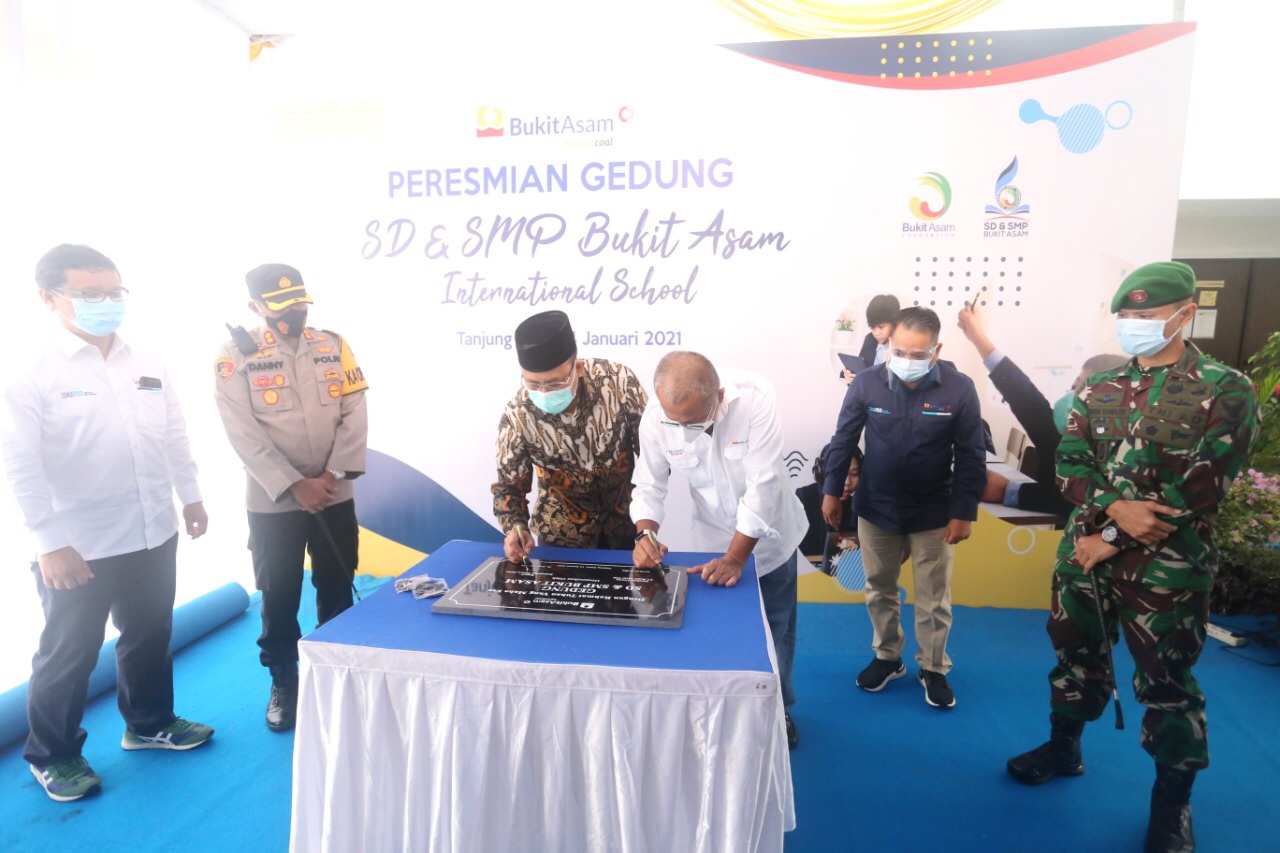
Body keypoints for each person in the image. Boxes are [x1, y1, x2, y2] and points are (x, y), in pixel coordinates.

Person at [1005, 262, 1259, 853]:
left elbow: (1204, 485)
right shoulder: (1101, 385)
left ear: (1185, 313)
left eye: (1145, 315)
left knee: (1167, 683)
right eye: (1125, 315)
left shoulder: (1225, 388)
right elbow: (1069, 461)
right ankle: (1063, 748)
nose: (1132, 324)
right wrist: (1114, 509)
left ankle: (1172, 807)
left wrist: (1114, 536)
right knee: (1074, 656)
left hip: (1167, 568)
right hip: (1083, 556)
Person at [1, 244, 213, 803]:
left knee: (150, 632)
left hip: (152, 525)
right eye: (89, 294)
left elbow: (173, 434)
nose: (106, 303)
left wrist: (190, 496)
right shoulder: (29, 368)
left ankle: (149, 723)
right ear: (48, 298)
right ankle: (53, 754)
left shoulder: (145, 359)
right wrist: (49, 543)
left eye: (114, 292)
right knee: (70, 650)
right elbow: (19, 464)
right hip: (79, 542)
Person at [213, 263, 368, 733]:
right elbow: (241, 430)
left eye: (299, 302)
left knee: (337, 582)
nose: (293, 312)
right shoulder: (234, 355)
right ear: (255, 307)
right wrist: (294, 483)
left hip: (334, 490)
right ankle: (284, 680)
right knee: (279, 592)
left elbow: (354, 408)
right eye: (280, 306)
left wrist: (331, 475)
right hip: (274, 499)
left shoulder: (333, 344)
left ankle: (338, 672)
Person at [630, 351, 807, 747]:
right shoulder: (656, 417)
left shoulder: (756, 397)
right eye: (675, 421)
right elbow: (649, 485)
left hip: (769, 541)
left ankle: (779, 711)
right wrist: (645, 534)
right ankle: (727, 713)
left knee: (774, 630)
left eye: (693, 421)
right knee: (720, 634)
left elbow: (763, 486)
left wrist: (736, 557)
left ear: (719, 397)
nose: (683, 430)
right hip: (711, 543)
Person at [821, 306, 986, 709]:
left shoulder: (959, 389)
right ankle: (887, 657)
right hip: (876, 508)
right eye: (899, 351)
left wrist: (964, 512)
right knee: (879, 588)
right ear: (889, 346)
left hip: (934, 512)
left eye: (917, 354)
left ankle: (933, 667)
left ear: (936, 350)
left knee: (934, 596)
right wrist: (831, 490)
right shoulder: (867, 383)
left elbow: (971, 455)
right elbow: (843, 440)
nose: (907, 361)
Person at [492, 310, 648, 561]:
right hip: (560, 537)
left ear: (578, 367)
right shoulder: (518, 414)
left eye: (555, 384)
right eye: (533, 384)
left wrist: (647, 526)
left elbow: (652, 456)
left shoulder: (618, 383)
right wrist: (515, 528)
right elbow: (508, 487)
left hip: (625, 529)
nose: (544, 393)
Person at [956, 302, 1127, 517]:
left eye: (1085, 392)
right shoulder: (1063, 436)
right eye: (1074, 387)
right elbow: (1025, 399)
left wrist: (1009, 491)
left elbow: (1078, 500)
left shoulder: (1125, 456)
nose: (1073, 398)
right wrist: (977, 337)